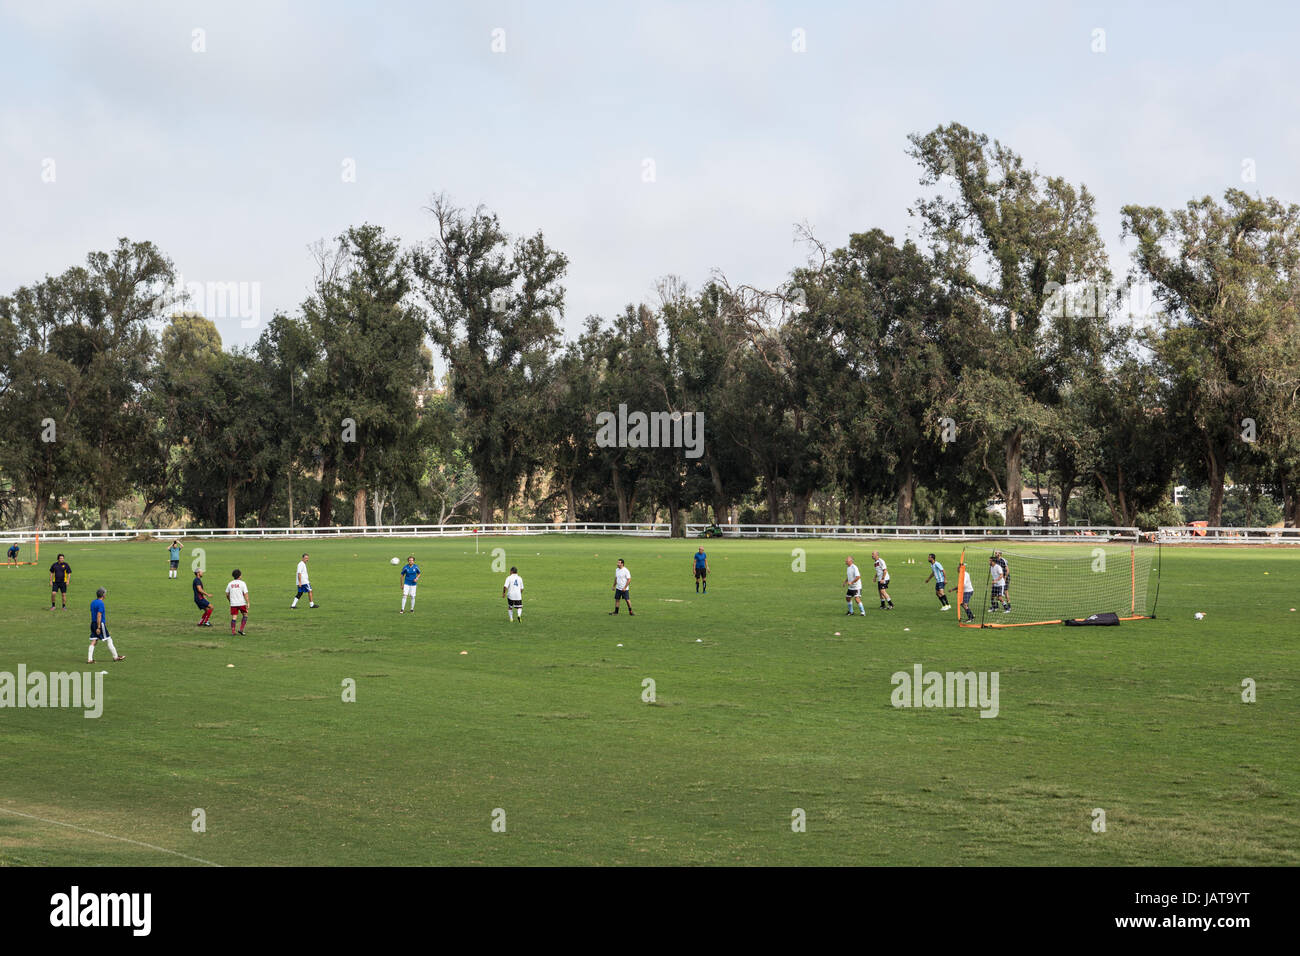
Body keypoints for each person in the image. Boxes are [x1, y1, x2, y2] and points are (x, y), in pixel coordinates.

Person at [88, 587, 124, 663]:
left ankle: (90, 659)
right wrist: (99, 627)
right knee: (109, 639)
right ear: (103, 595)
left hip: (93, 623)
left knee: (94, 640)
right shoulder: (101, 603)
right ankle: (115, 657)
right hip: (99, 624)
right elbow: (99, 615)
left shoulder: (93, 602)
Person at [226, 569, 249, 635]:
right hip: (241, 603)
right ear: (239, 576)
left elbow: (227, 594)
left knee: (234, 617)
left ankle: (233, 631)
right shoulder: (242, 583)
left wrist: (230, 600)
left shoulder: (230, 583)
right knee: (245, 614)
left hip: (233, 603)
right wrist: (248, 602)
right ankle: (241, 629)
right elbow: (245, 594)